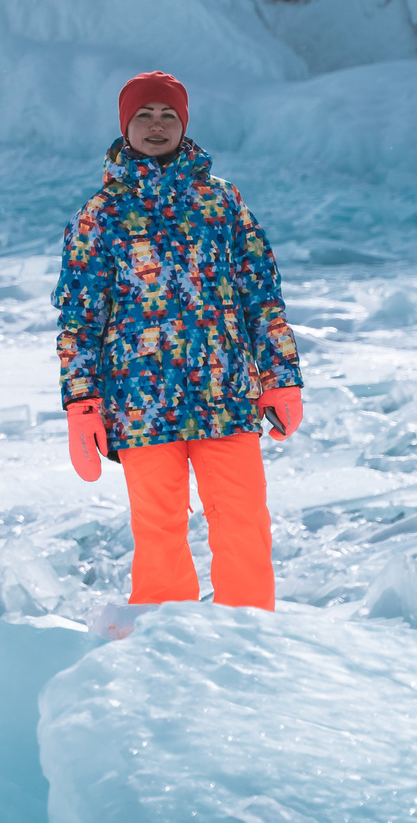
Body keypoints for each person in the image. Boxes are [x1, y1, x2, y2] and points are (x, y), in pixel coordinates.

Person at [52, 71, 303, 610]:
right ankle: (165, 649)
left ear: (184, 124)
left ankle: (251, 641)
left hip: (227, 395)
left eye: (168, 115)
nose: (157, 125)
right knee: (159, 533)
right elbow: (79, 320)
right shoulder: (101, 216)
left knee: (244, 526)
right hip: (141, 403)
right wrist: (82, 403)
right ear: (126, 126)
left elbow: (262, 295)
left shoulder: (222, 203)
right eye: (144, 115)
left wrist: (280, 379)